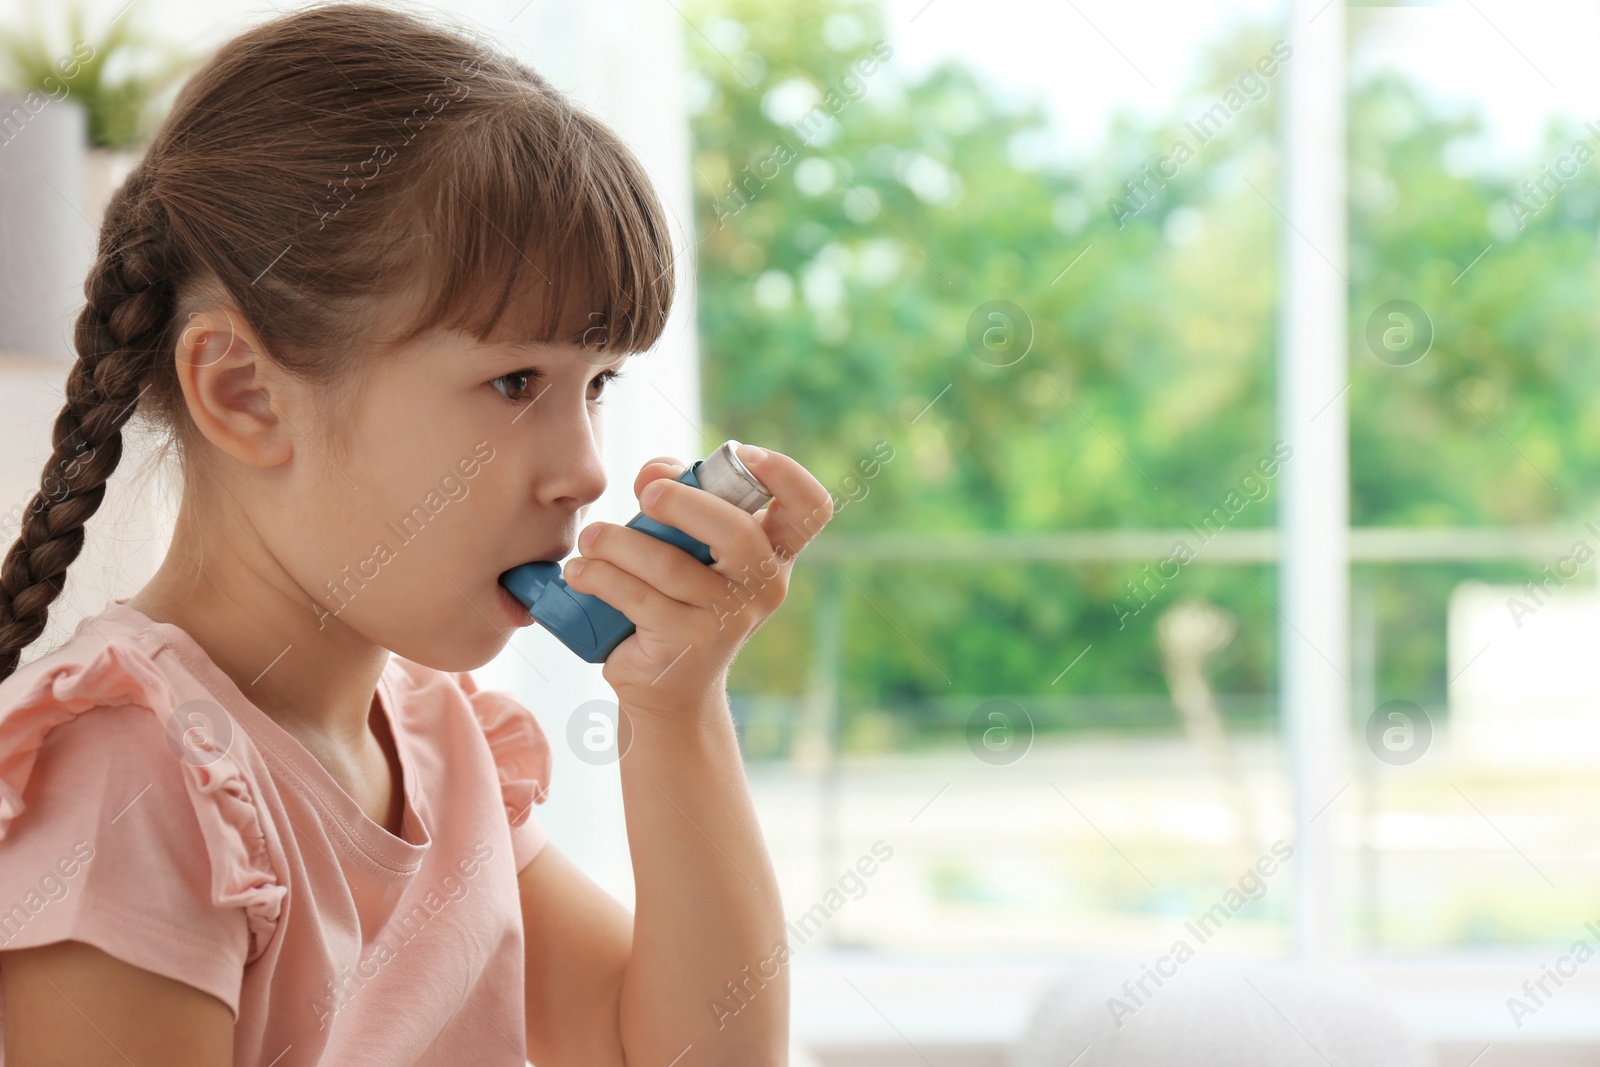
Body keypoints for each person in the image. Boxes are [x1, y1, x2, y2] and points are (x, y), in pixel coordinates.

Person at [0, 4, 833, 1064]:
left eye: (598, 385)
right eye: (516, 380)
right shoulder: (132, 777)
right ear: (244, 391)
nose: (583, 468)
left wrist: (676, 711)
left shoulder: (444, 745)